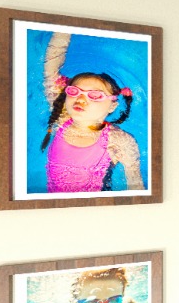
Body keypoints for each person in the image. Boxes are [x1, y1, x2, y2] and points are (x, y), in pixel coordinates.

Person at [40, 32, 144, 193]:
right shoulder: (62, 118)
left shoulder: (118, 140)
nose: (81, 99)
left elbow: (135, 186)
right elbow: (50, 69)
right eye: (74, 91)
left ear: (112, 106)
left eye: (95, 95)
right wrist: (63, 30)